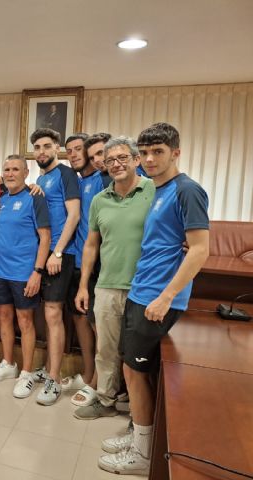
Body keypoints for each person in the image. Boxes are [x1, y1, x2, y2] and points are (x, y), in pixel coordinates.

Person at [98, 123, 209, 475]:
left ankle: (144, 454)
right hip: (140, 290)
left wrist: (166, 296)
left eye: (157, 152)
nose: (149, 159)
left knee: (135, 371)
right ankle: (139, 436)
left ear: (175, 152)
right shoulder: (159, 190)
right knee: (135, 372)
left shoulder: (187, 190)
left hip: (158, 299)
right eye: (144, 152)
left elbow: (201, 250)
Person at [73, 136, 155, 422]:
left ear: (136, 160)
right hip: (107, 285)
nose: (116, 164)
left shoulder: (154, 191)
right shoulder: (99, 200)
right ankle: (106, 398)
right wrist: (84, 285)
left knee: (139, 354)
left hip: (144, 288)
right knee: (106, 349)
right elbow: (91, 245)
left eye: (122, 158)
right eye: (110, 161)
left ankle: (139, 410)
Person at [0, 155, 51, 398]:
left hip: (24, 272)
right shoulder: (1, 197)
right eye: (7, 169)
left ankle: (26, 372)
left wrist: (37, 272)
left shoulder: (35, 198)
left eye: (16, 169)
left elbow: (45, 237)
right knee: (4, 318)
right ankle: (8, 364)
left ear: (26, 172)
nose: (11, 173)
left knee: (25, 322)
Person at [31, 128, 81, 406]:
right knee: (47, 313)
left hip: (62, 253)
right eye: (37, 147)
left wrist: (58, 252)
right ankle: (49, 368)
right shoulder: (42, 177)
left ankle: (54, 378)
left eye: (46, 146)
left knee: (53, 313)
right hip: (44, 251)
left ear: (57, 148)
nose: (41, 151)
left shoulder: (65, 174)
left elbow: (73, 214)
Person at [62, 133, 99, 404]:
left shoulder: (104, 177)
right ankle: (87, 374)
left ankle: (100, 381)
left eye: (78, 149)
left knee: (99, 325)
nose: (73, 154)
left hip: (101, 263)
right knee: (79, 319)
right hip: (76, 260)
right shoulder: (76, 181)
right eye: (69, 151)